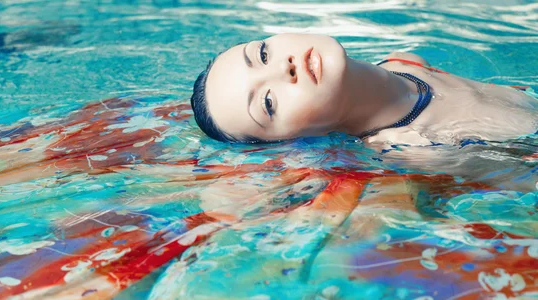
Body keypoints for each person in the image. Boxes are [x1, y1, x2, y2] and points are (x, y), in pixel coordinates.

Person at [190, 33, 538, 146]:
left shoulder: (407, 62)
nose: (285, 67)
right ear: (294, 138)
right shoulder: (418, 147)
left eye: (263, 54)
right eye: (268, 103)